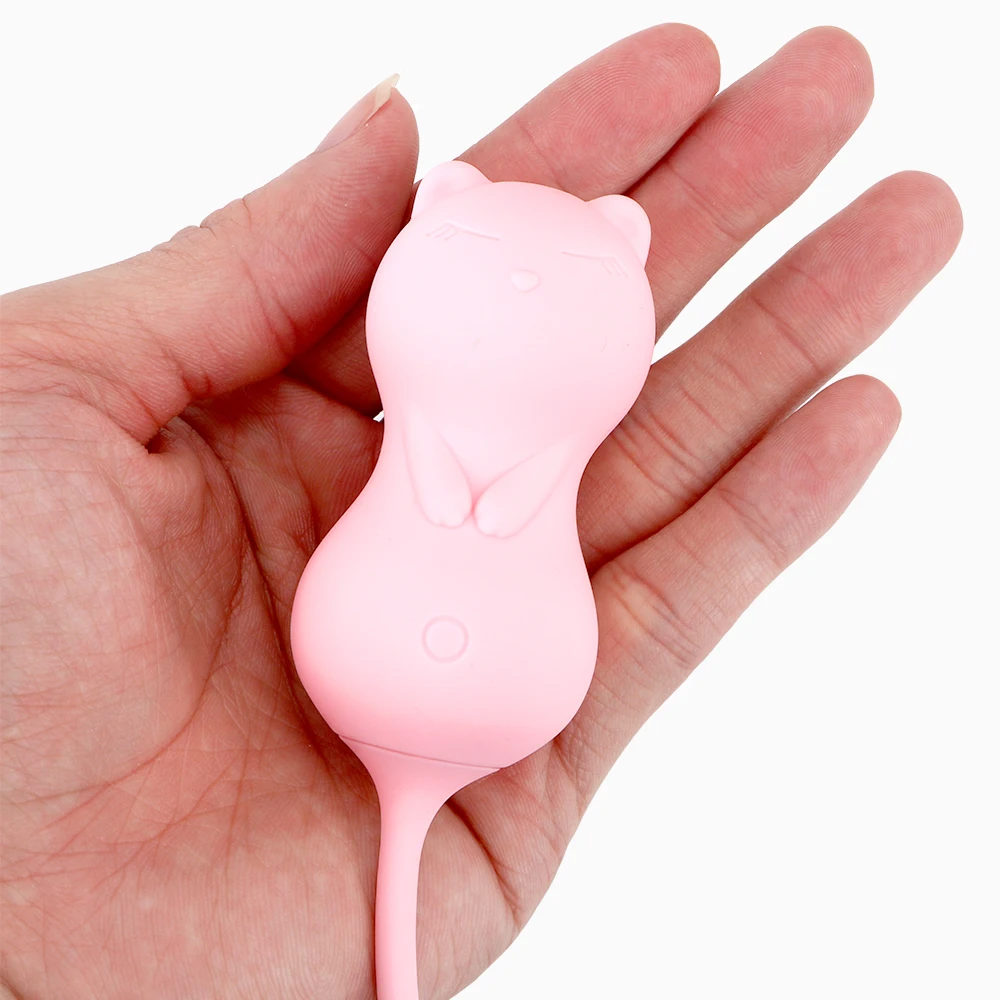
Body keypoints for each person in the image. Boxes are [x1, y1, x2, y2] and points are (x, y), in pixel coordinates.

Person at [0, 23, 962, 1000]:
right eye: (486, 255)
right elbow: (432, 448)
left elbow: (525, 473)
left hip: (488, 670)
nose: (522, 281)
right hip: (428, 661)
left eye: (565, 276)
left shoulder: (559, 410)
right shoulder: (429, 386)